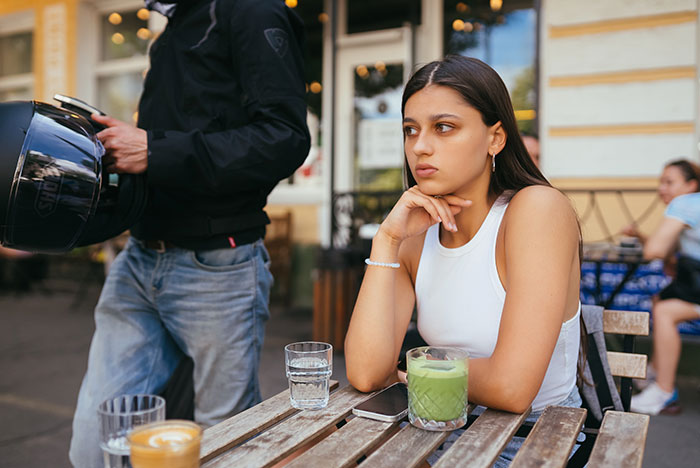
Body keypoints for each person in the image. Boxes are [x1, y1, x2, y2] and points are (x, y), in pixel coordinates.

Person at [69, 1, 310, 466]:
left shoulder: (252, 10)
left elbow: (285, 138)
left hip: (217, 268)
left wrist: (154, 149)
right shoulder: (173, 29)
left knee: (225, 447)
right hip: (138, 261)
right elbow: (170, 149)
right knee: (96, 443)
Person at [344, 55, 582, 466]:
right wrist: (386, 240)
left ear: (495, 138)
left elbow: (512, 387)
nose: (420, 146)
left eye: (444, 127)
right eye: (410, 129)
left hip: (531, 436)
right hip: (431, 424)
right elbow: (365, 373)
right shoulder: (414, 236)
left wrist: (406, 373)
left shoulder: (536, 211)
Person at [630, 160, 700, 415]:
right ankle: (657, 372)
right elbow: (670, 257)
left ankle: (664, 391)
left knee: (665, 311)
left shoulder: (686, 203)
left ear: (691, 185)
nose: (662, 189)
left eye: (670, 182)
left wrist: (646, 243)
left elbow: (655, 251)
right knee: (663, 299)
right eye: (661, 182)